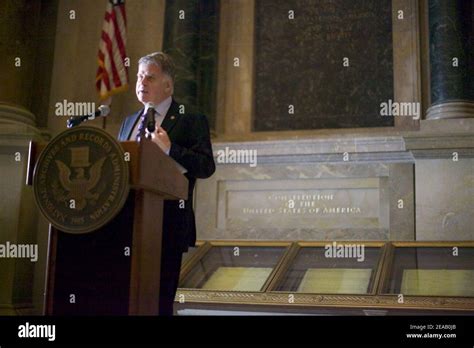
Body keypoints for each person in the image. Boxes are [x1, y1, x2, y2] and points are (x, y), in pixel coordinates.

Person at [118, 52, 215, 315]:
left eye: (150, 76)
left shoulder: (190, 118)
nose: (142, 82)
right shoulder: (128, 122)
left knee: (158, 303)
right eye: (139, 76)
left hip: (168, 225)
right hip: (125, 223)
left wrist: (171, 149)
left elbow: (206, 167)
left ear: (168, 85)